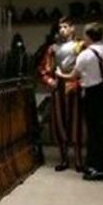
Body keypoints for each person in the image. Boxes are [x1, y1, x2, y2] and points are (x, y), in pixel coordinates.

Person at [66, 23, 103, 181]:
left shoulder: (86, 54)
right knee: (100, 129)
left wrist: (60, 73)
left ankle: (97, 168)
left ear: (88, 36)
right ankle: (99, 165)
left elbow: (73, 76)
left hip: (93, 94)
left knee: (94, 132)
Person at [37, 17, 84, 172]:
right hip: (58, 88)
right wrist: (51, 82)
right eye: (60, 27)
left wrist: (80, 82)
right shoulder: (53, 48)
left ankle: (78, 159)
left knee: (75, 123)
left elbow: (85, 67)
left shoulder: (81, 45)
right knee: (59, 123)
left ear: (72, 28)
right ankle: (63, 158)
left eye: (65, 26)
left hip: (75, 87)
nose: (62, 30)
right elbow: (44, 69)